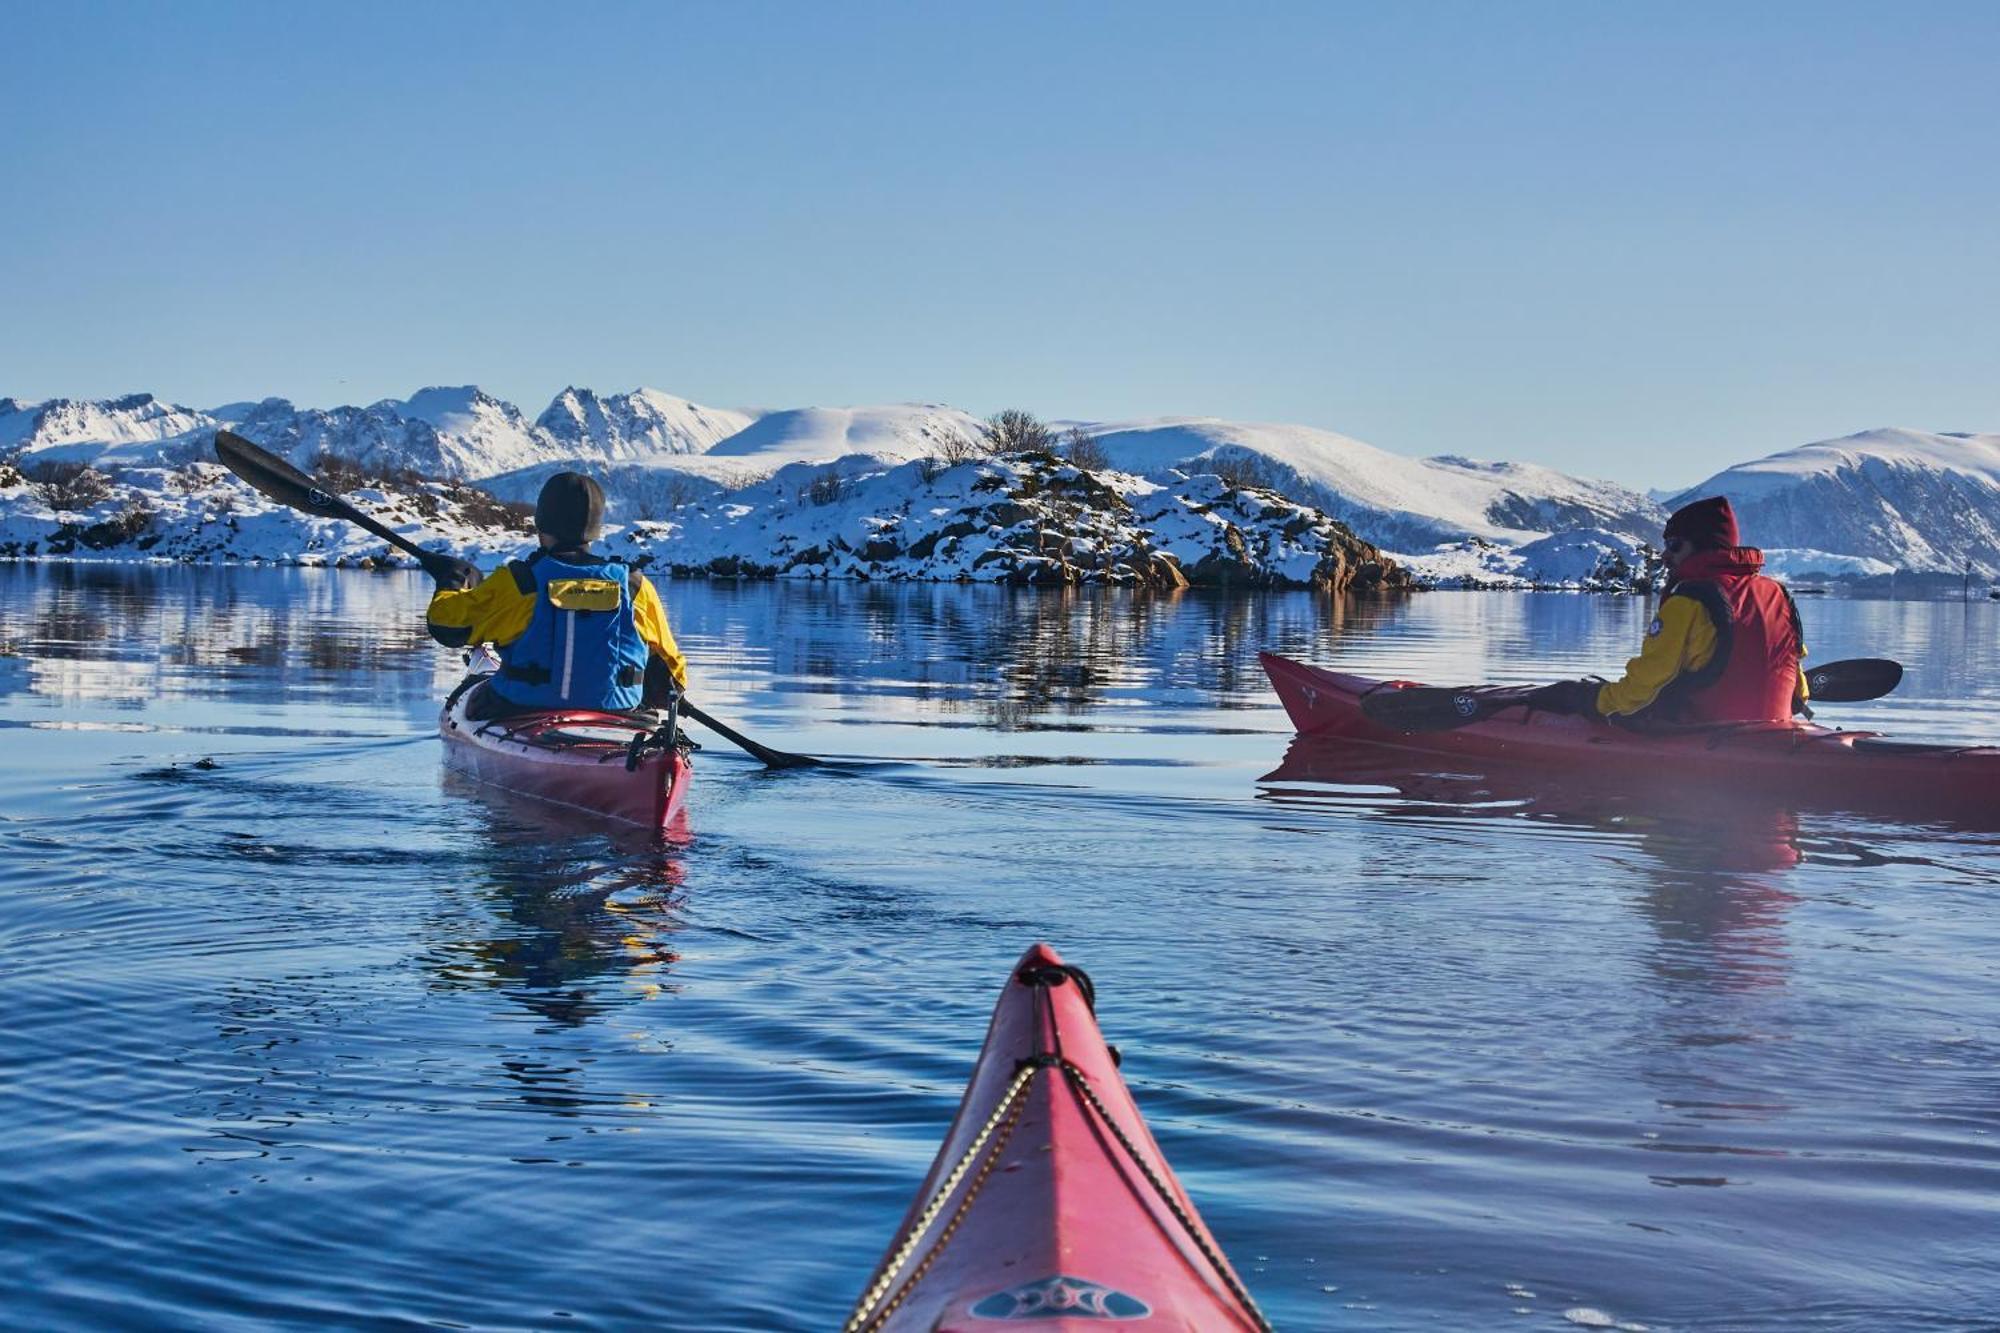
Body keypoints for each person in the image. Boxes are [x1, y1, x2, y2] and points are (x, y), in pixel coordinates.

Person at [425, 472, 688, 719]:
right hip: (621, 713)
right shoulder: (635, 587)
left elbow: (447, 625)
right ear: (596, 528)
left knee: (471, 693)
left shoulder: (521, 582)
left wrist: (455, 579)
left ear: (541, 524)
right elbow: (674, 676)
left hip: (522, 709)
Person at [1532, 495, 1807, 725]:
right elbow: (1800, 690)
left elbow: (1641, 689)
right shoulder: (1778, 594)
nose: (1665, 555)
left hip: (1698, 732)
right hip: (1775, 729)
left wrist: (1592, 700)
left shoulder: (1690, 601)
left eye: (1675, 546)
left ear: (1704, 547)